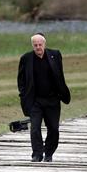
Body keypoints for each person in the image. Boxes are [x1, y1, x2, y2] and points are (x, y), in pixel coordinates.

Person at [17, 33, 71, 162]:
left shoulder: (55, 55)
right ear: (32, 46)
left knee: (53, 128)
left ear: (44, 44)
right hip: (35, 100)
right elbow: (21, 80)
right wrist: (23, 95)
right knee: (35, 128)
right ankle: (37, 154)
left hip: (53, 100)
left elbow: (60, 76)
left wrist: (61, 92)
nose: (38, 47)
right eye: (35, 45)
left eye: (40, 44)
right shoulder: (26, 58)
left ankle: (48, 153)